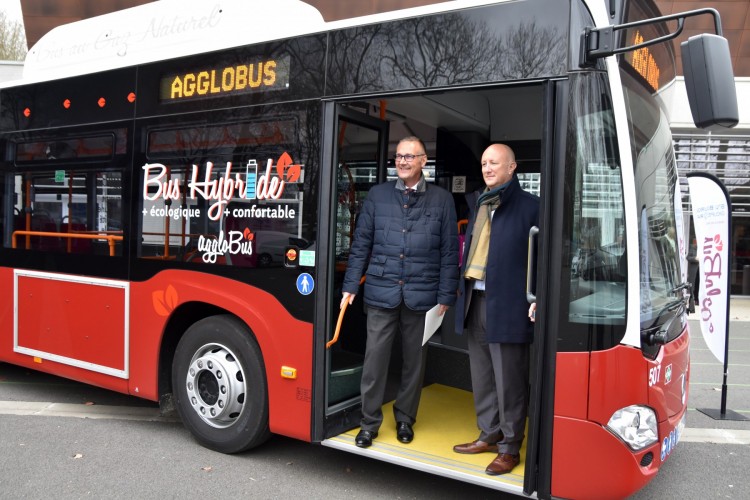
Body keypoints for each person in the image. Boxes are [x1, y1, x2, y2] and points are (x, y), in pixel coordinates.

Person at [341, 136, 458, 448]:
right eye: (399, 156)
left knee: (414, 363)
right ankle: (369, 423)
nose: (403, 161)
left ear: (423, 161)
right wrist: (351, 285)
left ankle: (406, 418)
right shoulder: (378, 195)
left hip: (423, 297)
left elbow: (449, 252)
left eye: (410, 156)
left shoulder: (442, 200)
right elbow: (361, 244)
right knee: (374, 361)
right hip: (381, 292)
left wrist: (447, 295)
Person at [452, 143, 539, 475]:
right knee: (483, 375)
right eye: (484, 162)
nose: (487, 168)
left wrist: (538, 299)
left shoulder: (531, 207)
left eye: (494, 163)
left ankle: (510, 446)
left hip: (511, 305)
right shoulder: (479, 203)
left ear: (512, 167)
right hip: (475, 298)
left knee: (511, 380)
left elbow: (544, 260)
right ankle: (488, 434)